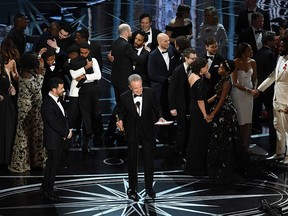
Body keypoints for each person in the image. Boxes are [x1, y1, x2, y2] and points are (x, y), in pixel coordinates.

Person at [116, 74, 165, 201]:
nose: (139, 90)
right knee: (133, 161)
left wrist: (160, 116)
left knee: (149, 161)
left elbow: (157, 108)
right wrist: (120, 121)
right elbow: (120, 112)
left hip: (148, 132)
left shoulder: (150, 93)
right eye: (136, 88)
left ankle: (149, 188)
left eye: (140, 87)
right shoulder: (124, 97)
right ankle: (132, 189)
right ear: (130, 87)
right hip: (132, 132)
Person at [207, 60, 251, 184]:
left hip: (224, 113)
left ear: (227, 71)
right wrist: (204, 102)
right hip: (220, 111)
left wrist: (212, 113)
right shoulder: (222, 80)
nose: (219, 68)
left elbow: (221, 100)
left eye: (221, 67)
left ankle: (225, 165)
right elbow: (216, 96)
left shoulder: (227, 82)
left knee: (225, 138)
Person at [8, 52, 47, 173]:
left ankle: (37, 161)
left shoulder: (30, 72)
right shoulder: (25, 74)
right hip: (27, 109)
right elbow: (35, 88)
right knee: (24, 136)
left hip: (34, 108)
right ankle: (20, 164)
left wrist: (40, 72)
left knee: (36, 134)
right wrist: (41, 74)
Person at [104, 23, 141, 145]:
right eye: (130, 30)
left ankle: (113, 130)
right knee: (122, 106)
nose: (131, 32)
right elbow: (138, 59)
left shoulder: (115, 43)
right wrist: (145, 51)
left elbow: (114, 59)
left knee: (120, 105)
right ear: (126, 32)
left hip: (116, 80)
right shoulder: (127, 46)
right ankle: (114, 130)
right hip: (125, 82)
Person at [41, 77, 72, 202]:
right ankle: (49, 190)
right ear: (54, 89)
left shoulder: (56, 100)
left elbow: (62, 117)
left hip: (58, 138)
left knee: (51, 165)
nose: (63, 89)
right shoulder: (48, 104)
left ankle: (46, 187)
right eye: (61, 88)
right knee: (52, 166)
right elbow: (53, 122)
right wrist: (66, 133)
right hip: (53, 140)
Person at [257, 37, 288, 164]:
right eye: (278, 46)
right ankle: (279, 153)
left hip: (286, 100)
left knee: (287, 129)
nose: (279, 48)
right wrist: (259, 90)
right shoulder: (280, 58)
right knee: (277, 126)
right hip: (276, 97)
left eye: (282, 46)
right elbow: (273, 76)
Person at [147, 32, 179, 144]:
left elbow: (177, 61)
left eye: (168, 40)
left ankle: (170, 136)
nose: (168, 42)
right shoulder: (152, 55)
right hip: (159, 89)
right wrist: (166, 80)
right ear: (159, 42)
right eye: (165, 41)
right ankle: (157, 136)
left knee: (170, 111)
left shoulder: (171, 49)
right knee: (159, 112)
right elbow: (151, 74)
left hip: (170, 89)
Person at [184, 57, 211, 176]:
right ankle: (198, 166)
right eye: (206, 66)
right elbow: (200, 99)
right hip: (199, 110)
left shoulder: (192, 75)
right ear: (201, 68)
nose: (208, 68)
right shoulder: (199, 81)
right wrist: (205, 114)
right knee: (200, 137)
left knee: (195, 136)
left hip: (193, 108)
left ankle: (193, 164)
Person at [168, 47, 196, 159]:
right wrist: (172, 107)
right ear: (186, 58)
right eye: (192, 59)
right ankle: (180, 150)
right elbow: (171, 90)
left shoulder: (194, 69)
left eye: (195, 58)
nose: (194, 61)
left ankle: (187, 149)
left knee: (189, 128)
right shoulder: (178, 71)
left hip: (190, 105)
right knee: (182, 129)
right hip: (180, 105)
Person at [231, 42, 258, 151]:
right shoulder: (235, 62)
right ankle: (238, 146)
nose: (251, 52)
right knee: (240, 120)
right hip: (239, 94)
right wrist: (248, 90)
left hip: (249, 95)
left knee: (247, 120)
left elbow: (255, 78)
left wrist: (255, 89)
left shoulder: (253, 62)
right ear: (242, 52)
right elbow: (234, 82)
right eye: (249, 50)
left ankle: (245, 146)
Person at [254, 31, 277, 152]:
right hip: (268, 90)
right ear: (269, 41)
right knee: (272, 117)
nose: (275, 42)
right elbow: (271, 74)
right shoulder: (269, 54)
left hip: (260, 88)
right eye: (274, 40)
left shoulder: (258, 52)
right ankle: (274, 142)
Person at [0, 54, 17, 167]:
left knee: (8, 130)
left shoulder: (4, 71)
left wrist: (12, 88)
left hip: (7, 104)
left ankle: (5, 159)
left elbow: (9, 84)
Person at [200, 37, 225, 102]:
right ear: (206, 47)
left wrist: (210, 77)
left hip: (214, 92)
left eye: (216, 46)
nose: (215, 49)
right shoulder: (200, 58)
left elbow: (222, 77)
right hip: (202, 91)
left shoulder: (221, 59)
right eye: (212, 47)